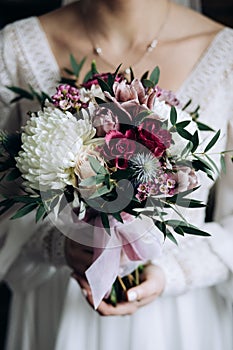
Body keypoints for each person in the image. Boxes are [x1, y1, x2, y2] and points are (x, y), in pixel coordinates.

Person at [0, 0, 232, 349]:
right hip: (58, 303)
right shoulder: (16, 47)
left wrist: (171, 272)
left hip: (178, 321)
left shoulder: (226, 54)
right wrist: (59, 246)